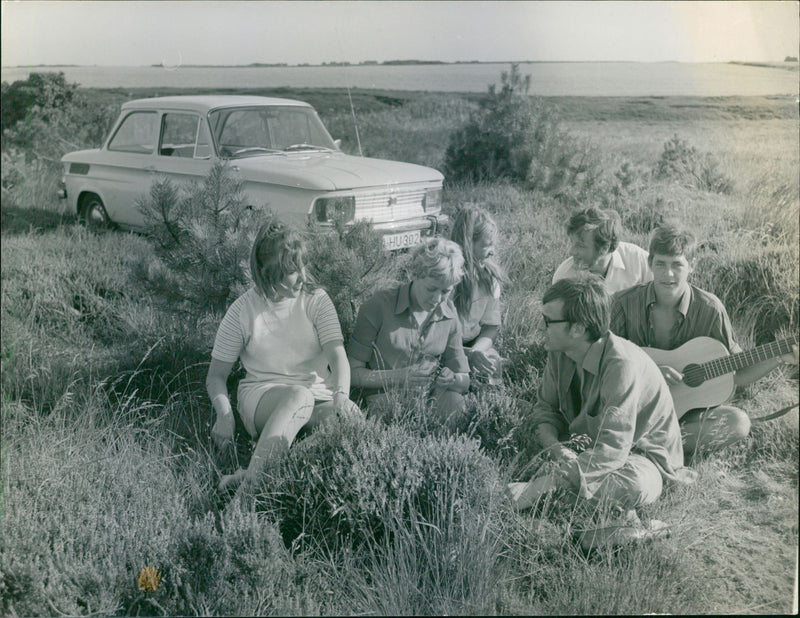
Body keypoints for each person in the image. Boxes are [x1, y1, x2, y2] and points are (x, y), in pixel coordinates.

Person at [509, 275, 693, 549]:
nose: (542, 327)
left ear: (578, 329)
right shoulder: (559, 350)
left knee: (630, 485)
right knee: (593, 483)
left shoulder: (621, 365)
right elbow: (545, 410)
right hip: (590, 450)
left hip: (642, 458)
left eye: (549, 321)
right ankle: (608, 525)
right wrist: (557, 449)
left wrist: (546, 483)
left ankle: (572, 511)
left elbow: (613, 450)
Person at [610, 224, 799, 459]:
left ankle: (646, 444)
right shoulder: (623, 303)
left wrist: (779, 357)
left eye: (677, 264)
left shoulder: (710, 310)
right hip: (630, 406)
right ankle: (652, 445)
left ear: (692, 265)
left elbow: (736, 373)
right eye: (661, 264)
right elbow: (603, 362)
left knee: (738, 422)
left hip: (685, 417)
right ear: (650, 264)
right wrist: (650, 372)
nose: (668, 274)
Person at [207, 219, 359, 492]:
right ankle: (250, 494)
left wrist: (341, 398)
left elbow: (338, 358)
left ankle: (250, 474)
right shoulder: (243, 309)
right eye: (291, 270)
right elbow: (216, 377)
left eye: (303, 265)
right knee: (299, 396)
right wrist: (225, 416)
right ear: (268, 274)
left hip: (317, 397)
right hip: (263, 396)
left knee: (353, 422)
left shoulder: (317, 300)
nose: (302, 276)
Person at [347, 237, 470, 420]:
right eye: (431, 289)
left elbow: (464, 382)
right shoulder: (379, 306)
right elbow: (352, 373)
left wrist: (452, 379)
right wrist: (400, 376)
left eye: (446, 292)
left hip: (430, 397)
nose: (437, 299)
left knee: (457, 405)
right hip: (385, 398)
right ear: (415, 275)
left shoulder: (449, 314)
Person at [450, 205, 506, 384]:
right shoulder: (447, 282)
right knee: (460, 380)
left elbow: (491, 327)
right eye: (487, 245)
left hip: (472, 344)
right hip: (442, 348)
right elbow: (434, 337)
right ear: (468, 244)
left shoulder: (490, 280)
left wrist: (477, 351)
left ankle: (492, 404)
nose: (492, 252)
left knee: (493, 363)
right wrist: (464, 355)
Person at [553, 207, 652, 294]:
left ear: (604, 249)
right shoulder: (564, 277)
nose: (571, 251)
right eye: (572, 243)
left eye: (580, 245)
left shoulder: (640, 261)